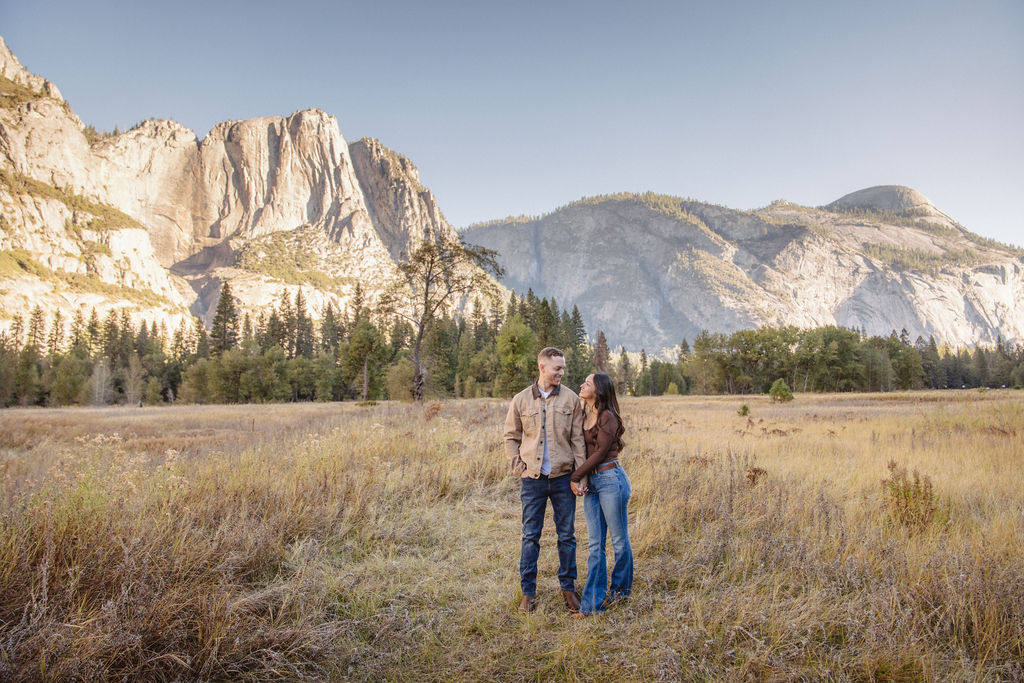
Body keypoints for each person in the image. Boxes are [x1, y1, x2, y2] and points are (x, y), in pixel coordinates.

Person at [504, 347, 586, 613]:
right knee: (530, 536)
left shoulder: (572, 400)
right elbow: (511, 437)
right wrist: (519, 468)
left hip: (563, 479)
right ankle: (528, 592)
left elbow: (577, 441)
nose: (561, 372)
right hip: (533, 479)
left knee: (567, 536)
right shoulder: (520, 400)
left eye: (563, 368)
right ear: (542, 367)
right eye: (557, 368)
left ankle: (568, 589)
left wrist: (579, 475)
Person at [571, 372, 633, 617]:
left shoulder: (608, 417)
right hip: (593, 483)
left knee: (619, 541)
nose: (582, 384)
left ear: (599, 390)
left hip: (611, 480)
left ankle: (620, 592)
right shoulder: (583, 412)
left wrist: (575, 477)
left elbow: (598, 454)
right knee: (595, 545)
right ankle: (593, 605)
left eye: (587, 382)